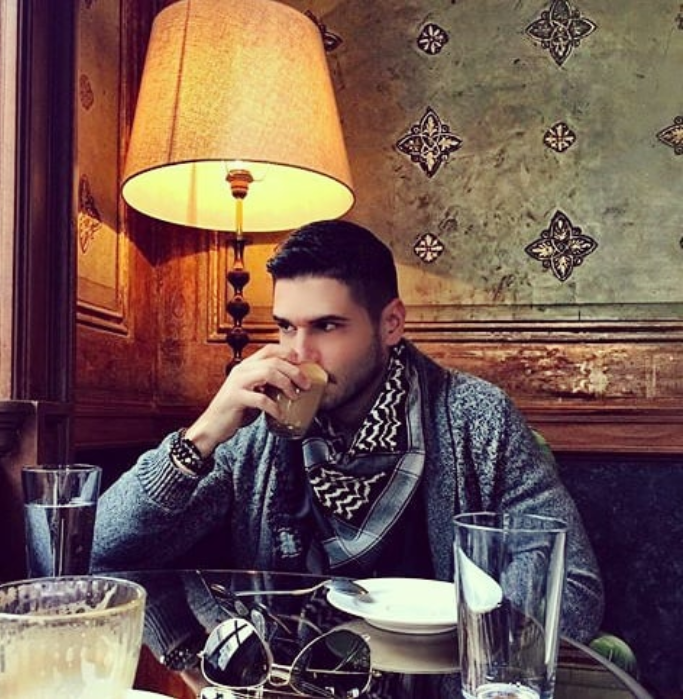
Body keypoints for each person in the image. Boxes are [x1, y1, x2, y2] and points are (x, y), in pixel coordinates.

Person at [92, 219, 604, 642]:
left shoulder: (477, 418)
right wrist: (202, 436)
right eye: (286, 327)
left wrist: (472, 652)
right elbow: (102, 552)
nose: (300, 354)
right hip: (290, 682)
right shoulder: (257, 426)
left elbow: (572, 588)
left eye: (327, 326)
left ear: (391, 324)